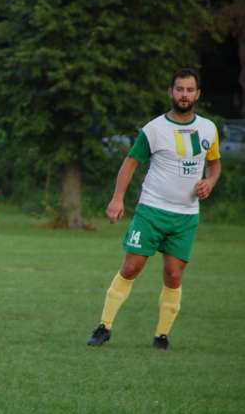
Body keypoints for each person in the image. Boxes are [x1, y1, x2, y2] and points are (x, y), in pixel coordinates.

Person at [87, 68, 221, 350]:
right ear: (170, 92)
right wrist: (117, 198)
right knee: (131, 267)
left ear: (197, 94)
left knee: (173, 274)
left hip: (185, 216)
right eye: (179, 89)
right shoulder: (154, 129)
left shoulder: (209, 128)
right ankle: (104, 327)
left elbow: (214, 162)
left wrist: (210, 181)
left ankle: (161, 336)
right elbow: (130, 162)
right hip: (151, 211)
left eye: (189, 90)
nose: (184, 95)